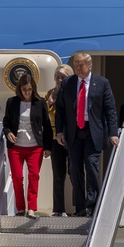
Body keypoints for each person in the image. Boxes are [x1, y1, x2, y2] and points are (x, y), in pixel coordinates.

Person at [55, 51, 118, 217]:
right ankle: (80, 207)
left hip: (93, 131)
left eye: (81, 65)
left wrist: (113, 133)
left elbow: (110, 110)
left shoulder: (102, 83)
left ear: (89, 66)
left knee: (91, 164)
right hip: (74, 132)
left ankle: (93, 204)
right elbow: (60, 109)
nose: (77, 68)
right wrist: (59, 131)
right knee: (75, 169)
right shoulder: (68, 83)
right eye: (76, 65)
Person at [2, 73, 52, 217]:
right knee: (17, 177)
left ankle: (31, 208)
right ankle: (20, 208)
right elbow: (6, 122)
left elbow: (47, 126)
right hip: (16, 147)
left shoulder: (40, 102)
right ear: (19, 89)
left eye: (29, 89)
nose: (27, 92)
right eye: (24, 89)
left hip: (35, 147)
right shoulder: (11, 102)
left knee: (34, 176)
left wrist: (48, 147)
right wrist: (8, 132)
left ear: (33, 89)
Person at [46, 64, 74, 216]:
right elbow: (42, 116)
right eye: (57, 77)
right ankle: (58, 209)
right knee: (58, 174)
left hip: (71, 138)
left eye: (63, 77)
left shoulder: (74, 93)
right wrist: (49, 102)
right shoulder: (50, 93)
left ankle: (80, 208)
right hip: (54, 138)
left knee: (73, 172)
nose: (59, 80)